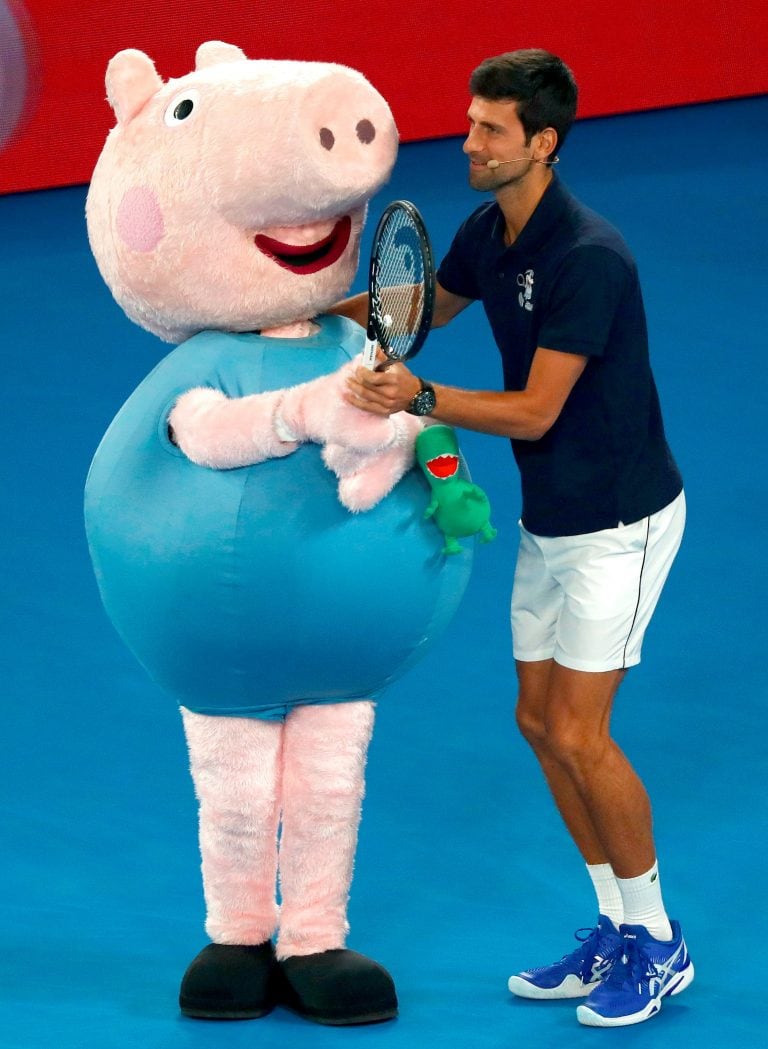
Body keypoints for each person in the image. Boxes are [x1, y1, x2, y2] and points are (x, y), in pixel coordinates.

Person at [331, 49, 693, 1028]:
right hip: (552, 516)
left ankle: (661, 941)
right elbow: (419, 312)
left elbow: (536, 411)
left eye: (490, 129)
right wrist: (294, 315)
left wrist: (422, 395)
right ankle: (617, 923)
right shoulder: (488, 231)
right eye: (469, 121)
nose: (468, 140)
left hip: (620, 522)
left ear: (543, 144)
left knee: (581, 729)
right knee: (538, 722)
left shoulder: (589, 257)